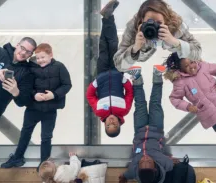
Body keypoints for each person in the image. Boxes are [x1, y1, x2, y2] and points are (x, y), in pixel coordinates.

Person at [0, 43, 72, 170]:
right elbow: (28, 86)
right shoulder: (32, 68)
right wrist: (34, 95)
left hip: (50, 110)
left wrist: (53, 95)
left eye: (43, 57)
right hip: (32, 108)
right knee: (25, 133)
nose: (40, 60)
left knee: (46, 136)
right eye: (38, 58)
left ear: (51, 55)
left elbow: (67, 85)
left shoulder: (59, 67)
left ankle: (44, 164)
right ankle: (17, 158)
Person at [118, 65, 176, 183]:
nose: (145, 158)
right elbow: (171, 164)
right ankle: (157, 75)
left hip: (139, 129)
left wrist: (122, 179)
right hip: (157, 128)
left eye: (141, 162)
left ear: (137, 168)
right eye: (148, 162)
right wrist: (172, 159)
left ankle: (137, 76)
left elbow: (125, 175)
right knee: (155, 103)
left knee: (140, 104)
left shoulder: (133, 170)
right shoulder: (164, 164)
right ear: (155, 168)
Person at [86, 0, 134, 138]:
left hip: (102, 73)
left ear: (104, 124)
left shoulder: (99, 112)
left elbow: (90, 96)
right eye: (114, 125)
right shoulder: (123, 110)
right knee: (113, 44)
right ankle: (108, 16)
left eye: (108, 125)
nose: (111, 122)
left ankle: (107, 17)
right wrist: (124, 80)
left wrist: (96, 82)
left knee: (103, 46)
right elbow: (129, 94)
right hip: (117, 72)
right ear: (120, 123)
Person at [113, 0, 201, 72]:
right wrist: (135, 48)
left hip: (170, 37)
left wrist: (174, 41)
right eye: (148, 22)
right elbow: (119, 65)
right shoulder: (134, 27)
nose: (153, 27)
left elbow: (197, 52)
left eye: (158, 23)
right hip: (144, 48)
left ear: (166, 21)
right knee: (142, 58)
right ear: (141, 20)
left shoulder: (175, 25)